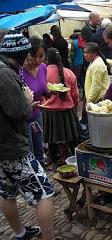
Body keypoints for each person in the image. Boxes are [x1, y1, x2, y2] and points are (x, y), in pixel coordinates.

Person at [0, 30, 54, 240]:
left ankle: (21, 233)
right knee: (45, 193)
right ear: (23, 55)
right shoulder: (5, 74)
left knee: (7, 191)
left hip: (2, 148)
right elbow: (18, 112)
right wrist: (27, 101)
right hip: (13, 147)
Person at [41, 47, 79, 167]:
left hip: (49, 111)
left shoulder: (43, 73)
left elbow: (40, 94)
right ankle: (77, 158)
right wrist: (75, 106)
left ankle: (54, 160)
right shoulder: (68, 72)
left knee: (52, 138)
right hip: (67, 110)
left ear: (47, 59)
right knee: (72, 137)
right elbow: (75, 94)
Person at [21, 37, 49, 165]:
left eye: (41, 56)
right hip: (24, 118)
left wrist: (50, 93)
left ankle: (42, 180)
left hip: (37, 115)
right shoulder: (19, 71)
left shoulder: (43, 67)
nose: (37, 60)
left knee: (40, 151)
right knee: (30, 153)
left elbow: (43, 90)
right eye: (33, 56)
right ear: (27, 54)